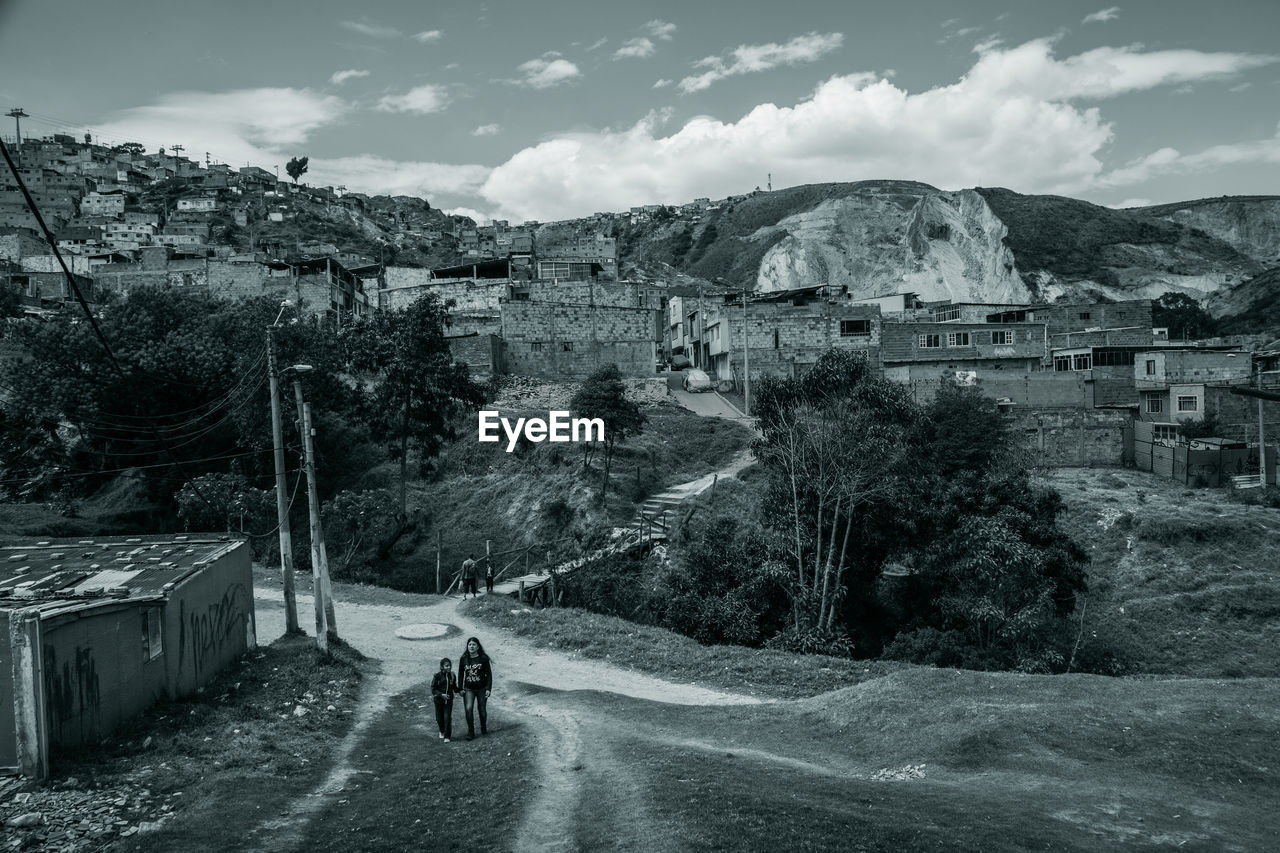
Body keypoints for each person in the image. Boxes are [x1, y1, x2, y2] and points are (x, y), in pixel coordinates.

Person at [457, 636, 492, 740]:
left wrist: (488, 689)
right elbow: (460, 674)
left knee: (482, 710)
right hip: (468, 689)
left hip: (482, 688)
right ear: (467, 646)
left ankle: (483, 728)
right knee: (468, 709)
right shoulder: (464, 658)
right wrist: (460, 688)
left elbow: (489, 675)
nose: (471, 646)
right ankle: (471, 732)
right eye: (469, 644)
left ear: (478, 647)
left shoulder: (483, 658)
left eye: (474, 644)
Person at [430, 657, 458, 742]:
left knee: (447, 718)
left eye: (450, 666)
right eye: (446, 666)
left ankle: (447, 736)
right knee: (439, 718)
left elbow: (454, 687)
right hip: (438, 701)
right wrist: (441, 695)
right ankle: (441, 730)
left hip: (448, 701)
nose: (449, 667)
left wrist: (460, 691)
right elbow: (433, 688)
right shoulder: (437, 676)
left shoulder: (452, 675)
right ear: (442, 667)